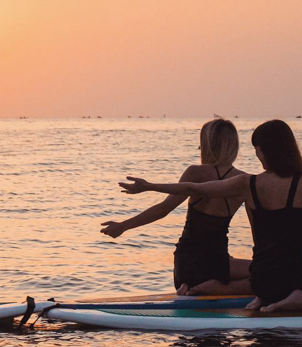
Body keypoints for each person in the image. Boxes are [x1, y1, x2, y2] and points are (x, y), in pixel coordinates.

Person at [119, 119, 302, 312]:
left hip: (261, 279)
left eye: (258, 149)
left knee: (260, 272)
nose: (257, 155)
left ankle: (255, 295)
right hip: (285, 278)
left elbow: (193, 189)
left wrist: (150, 186)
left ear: (270, 151)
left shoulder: (248, 183)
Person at [101, 118, 251, 295]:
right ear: (233, 146)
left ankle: (193, 285)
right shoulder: (244, 181)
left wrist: (122, 226)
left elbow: (163, 209)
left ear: (207, 144)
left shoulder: (196, 172)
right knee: (267, 274)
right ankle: (215, 287)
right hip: (216, 262)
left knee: (240, 268)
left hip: (186, 264)